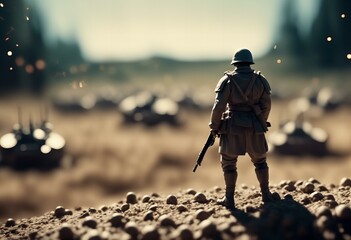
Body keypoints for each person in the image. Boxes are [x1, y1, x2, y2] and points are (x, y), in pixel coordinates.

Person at [209, 48, 274, 210]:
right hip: (254, 126)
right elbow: (267, 105)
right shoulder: (260, 80)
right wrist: (261, 121)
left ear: (235, 63)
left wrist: (215, 126)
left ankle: (229, 199)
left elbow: (218, 107)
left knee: (229, 163)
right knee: (260, 162)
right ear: (250, 62)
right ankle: (266, 194)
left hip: (232, 127)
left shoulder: (227, 80)